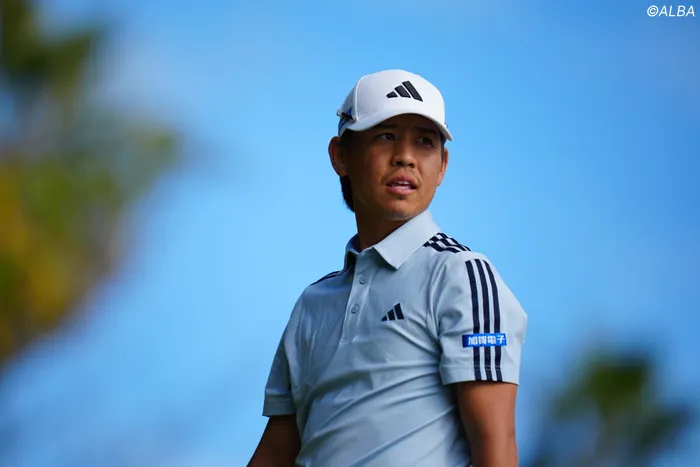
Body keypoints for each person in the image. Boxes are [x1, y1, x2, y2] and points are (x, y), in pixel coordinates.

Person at [247, 69, 528, 467]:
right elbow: (277, 451)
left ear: (443, 166)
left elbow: (496, 443)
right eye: (386, 136)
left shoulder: (462, 275)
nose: (405, 157)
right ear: (340, 155)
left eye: (425, 142)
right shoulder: (313, 303)